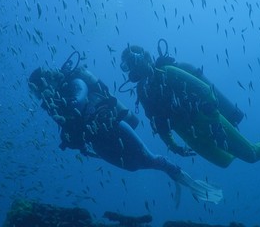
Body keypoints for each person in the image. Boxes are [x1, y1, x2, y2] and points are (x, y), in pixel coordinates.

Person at [119, 39, 260, 181]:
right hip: (188, 132)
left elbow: (205, 91)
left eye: (135, 59)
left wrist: (214, 123)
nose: (134, 66)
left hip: (205, 119)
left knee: (250, 155)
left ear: (145, 57)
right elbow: (158, 122)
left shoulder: (169, 72)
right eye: (128, 64)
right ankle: (258, 150)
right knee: (224, 161)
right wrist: (174, 146)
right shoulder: (143, 92)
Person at [28, 51, 223, 205]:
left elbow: (78, 100)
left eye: (40, 88)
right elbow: (71, 129)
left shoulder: (74, 83)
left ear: (48, 80)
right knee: (133, 166)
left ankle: (184, 178)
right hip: (97, 141)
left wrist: (65, 108)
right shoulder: (55, 104)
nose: (42, 94)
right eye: (38, 92)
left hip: (111, 125)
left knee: (148, 158)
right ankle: (176, 175)